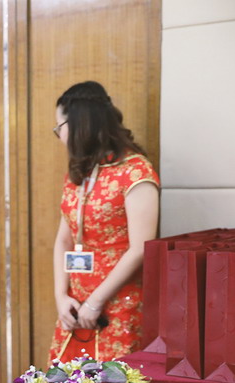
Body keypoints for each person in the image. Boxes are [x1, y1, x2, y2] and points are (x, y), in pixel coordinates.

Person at [50, 81, 160, 363]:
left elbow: (140, 248)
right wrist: (61, 296)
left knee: (114, 379)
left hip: (119, 301)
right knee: (68, 381)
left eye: (60, 127)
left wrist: (96, 302)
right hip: (77, 302)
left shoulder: (135, 172)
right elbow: (64, 239)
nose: (60, 136)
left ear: (79, 125)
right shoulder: (79, 172)